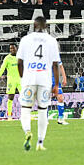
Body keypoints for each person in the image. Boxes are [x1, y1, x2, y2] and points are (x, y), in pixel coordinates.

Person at [16, 16, 62, 151]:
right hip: (44, 80)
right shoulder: (52, 41)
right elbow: (55, 64)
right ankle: (40, 143)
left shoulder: (25, 39)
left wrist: (23, 77)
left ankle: (27, 131)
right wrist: (56, 85)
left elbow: (19, 62)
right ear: (46, 26)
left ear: (34, 25)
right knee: (43, 111)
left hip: (29, 79)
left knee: (25, 109)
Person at [0, 43, 19, 119]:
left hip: (21, 79)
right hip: (11, 80)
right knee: (10, 97)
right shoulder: (7, 58)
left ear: (17, 48)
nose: (12, 50)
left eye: (13, 48)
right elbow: (2, 69)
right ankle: (9, 115)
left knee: (25, 97)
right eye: (10, 48)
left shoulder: (21, 57)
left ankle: (26, 115)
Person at [52, 61, 69, 126]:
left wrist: (64, 78)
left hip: (55, 81)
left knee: (61, 98)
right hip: (45, 80)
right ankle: (45, 119)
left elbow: (61, 66)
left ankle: (61, 119)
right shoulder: (42, 55)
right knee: (45, 100)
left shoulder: (55, 54)